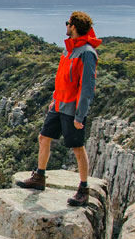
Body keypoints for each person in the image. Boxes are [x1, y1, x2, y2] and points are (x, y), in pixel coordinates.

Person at [16, 11, 100, 206]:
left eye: (68, 23)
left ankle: (83, 189)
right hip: (59, 103)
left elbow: (87, 86)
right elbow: (62, 78)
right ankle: (39, 177)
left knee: (78, 148)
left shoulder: (87, 53)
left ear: (74, 27)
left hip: (72, 108)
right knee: (44, 138)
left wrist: (80, 115)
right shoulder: (69, 50)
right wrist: (55, 98)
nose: (66, 26)